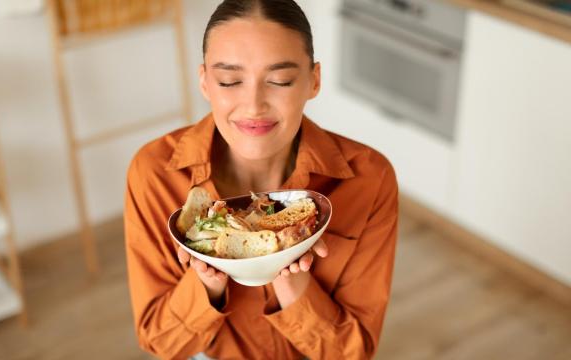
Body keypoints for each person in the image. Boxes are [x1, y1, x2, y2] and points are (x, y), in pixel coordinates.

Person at [124, 0, 398, 359]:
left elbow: (351, 354)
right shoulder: (155, 173)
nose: (253, 105)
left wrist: (288, 272)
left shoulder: (368, 178)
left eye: (280, 80)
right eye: (230, 81)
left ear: (313, 81)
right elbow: (161, 343)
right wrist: (207, 281)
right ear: (205, 81)